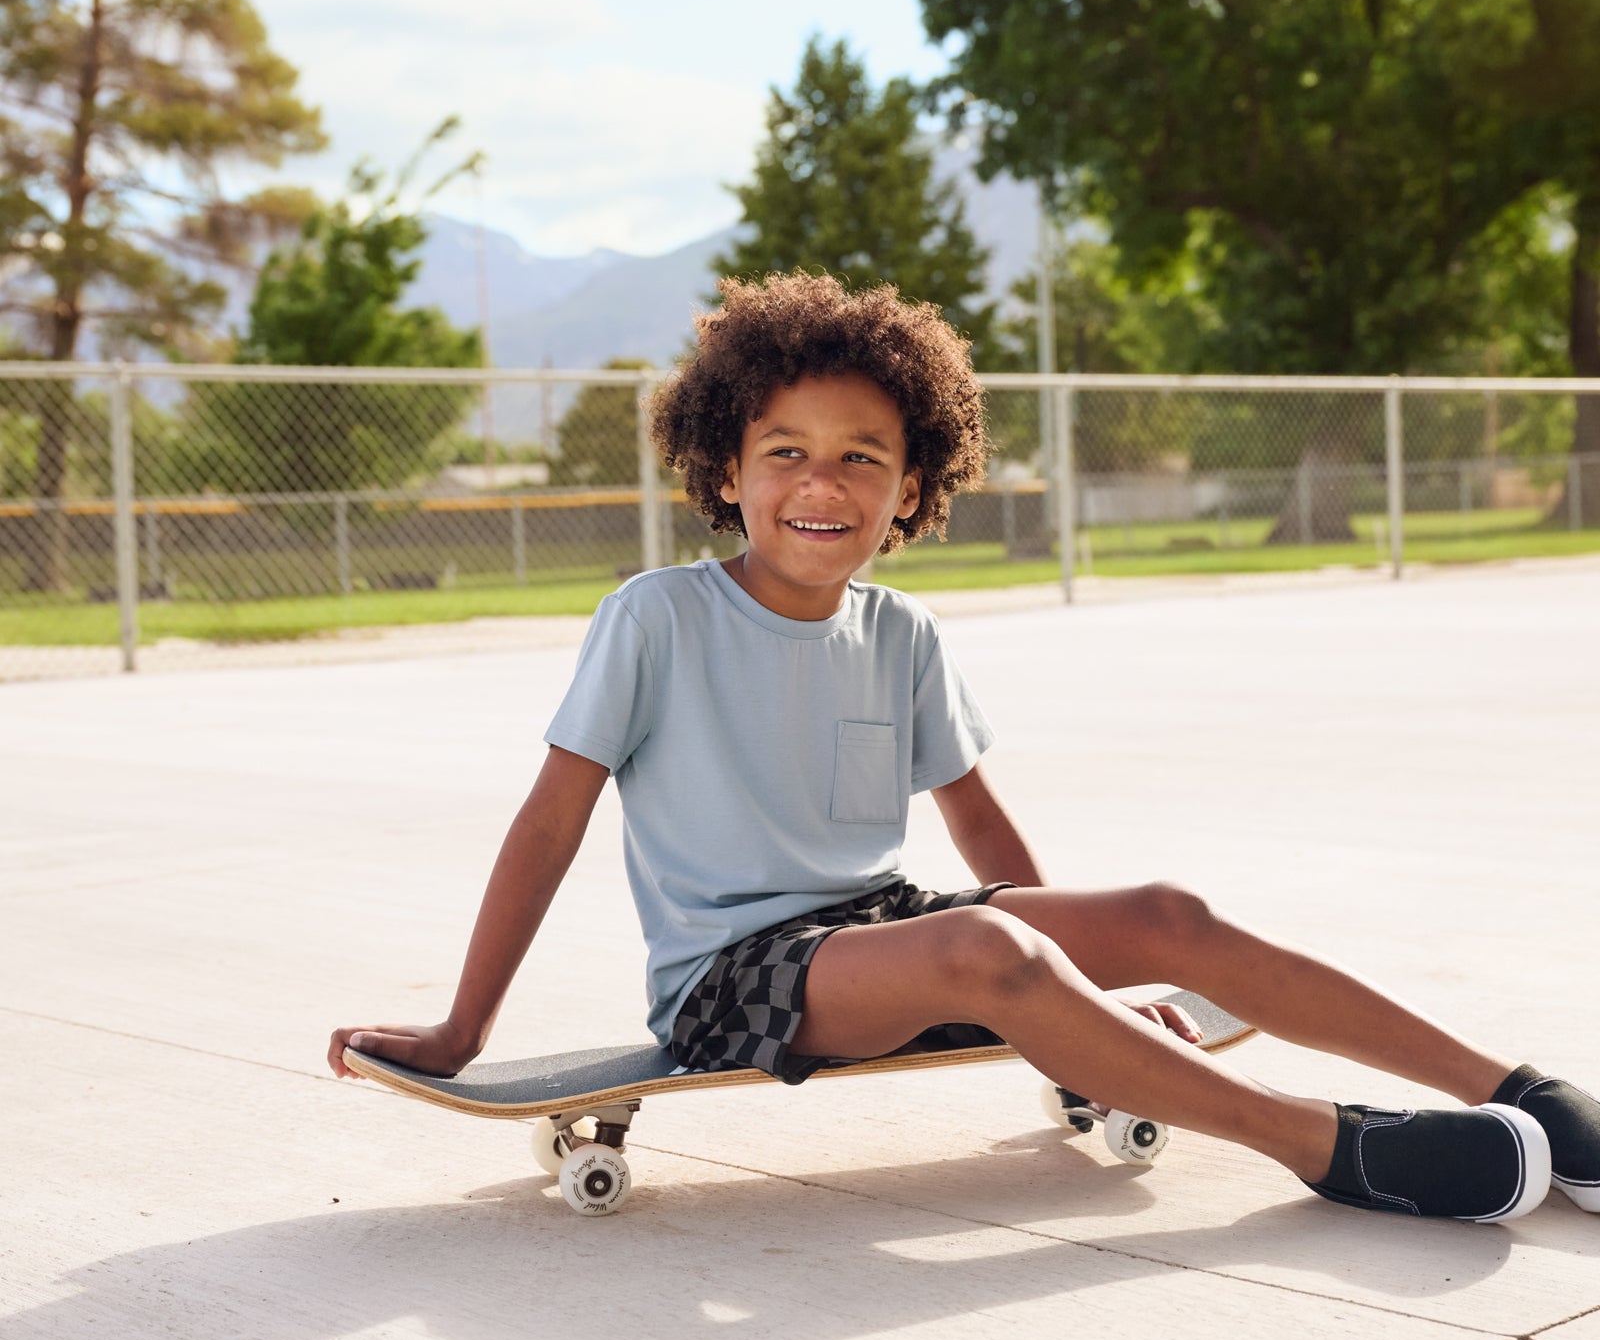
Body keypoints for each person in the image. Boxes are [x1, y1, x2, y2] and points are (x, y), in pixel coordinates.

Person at [330, 271, 1599, 1223]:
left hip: (886, 925)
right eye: (786, 453)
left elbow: (981, 831)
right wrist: (460, 1027)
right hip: (734, 979)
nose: (820, 484)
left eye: (860, 458)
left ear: (910, 484)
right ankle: (1327, 1146)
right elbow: (548, 824)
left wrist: (1081, 976)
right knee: (985, 942)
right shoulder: (655, 616)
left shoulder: (903, 631)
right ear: (726, 465)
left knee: (1165, 907)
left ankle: (1519, 1088)